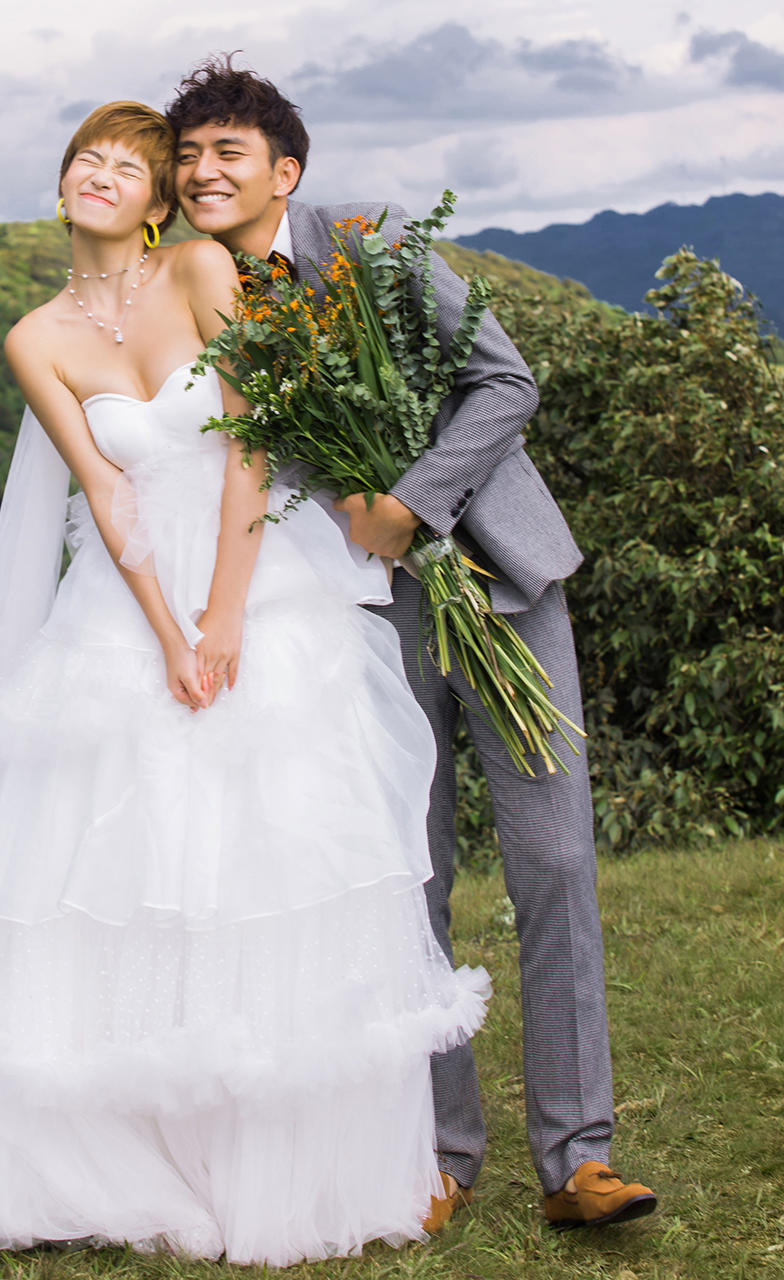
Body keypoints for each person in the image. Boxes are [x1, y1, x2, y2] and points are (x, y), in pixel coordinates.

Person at [0, 101, 489, 1264]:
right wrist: (164, 633)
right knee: (111, 863)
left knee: (264, 853)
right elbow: (104, 489)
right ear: (60, 185)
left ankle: (263, 1149)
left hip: (258, 585)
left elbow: (250, 440)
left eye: (127, 165)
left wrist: (221, 614)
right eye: (82, 159)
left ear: (154, 202)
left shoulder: (198, 271)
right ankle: (110, 1139)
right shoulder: (35, 336)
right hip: (123, 608)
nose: (100, 173)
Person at [165, 57, 658, 1233]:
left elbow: (503, 383)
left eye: (227, 151)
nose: (200, 172)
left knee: (554, 861)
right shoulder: (196, 291)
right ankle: (435, 1151)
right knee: (405, 875)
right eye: (185, 156)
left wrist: (407, 503)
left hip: (500, 580)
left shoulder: (372, 242)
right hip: (358, 612)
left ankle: (577, 1156)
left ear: (285, 170)